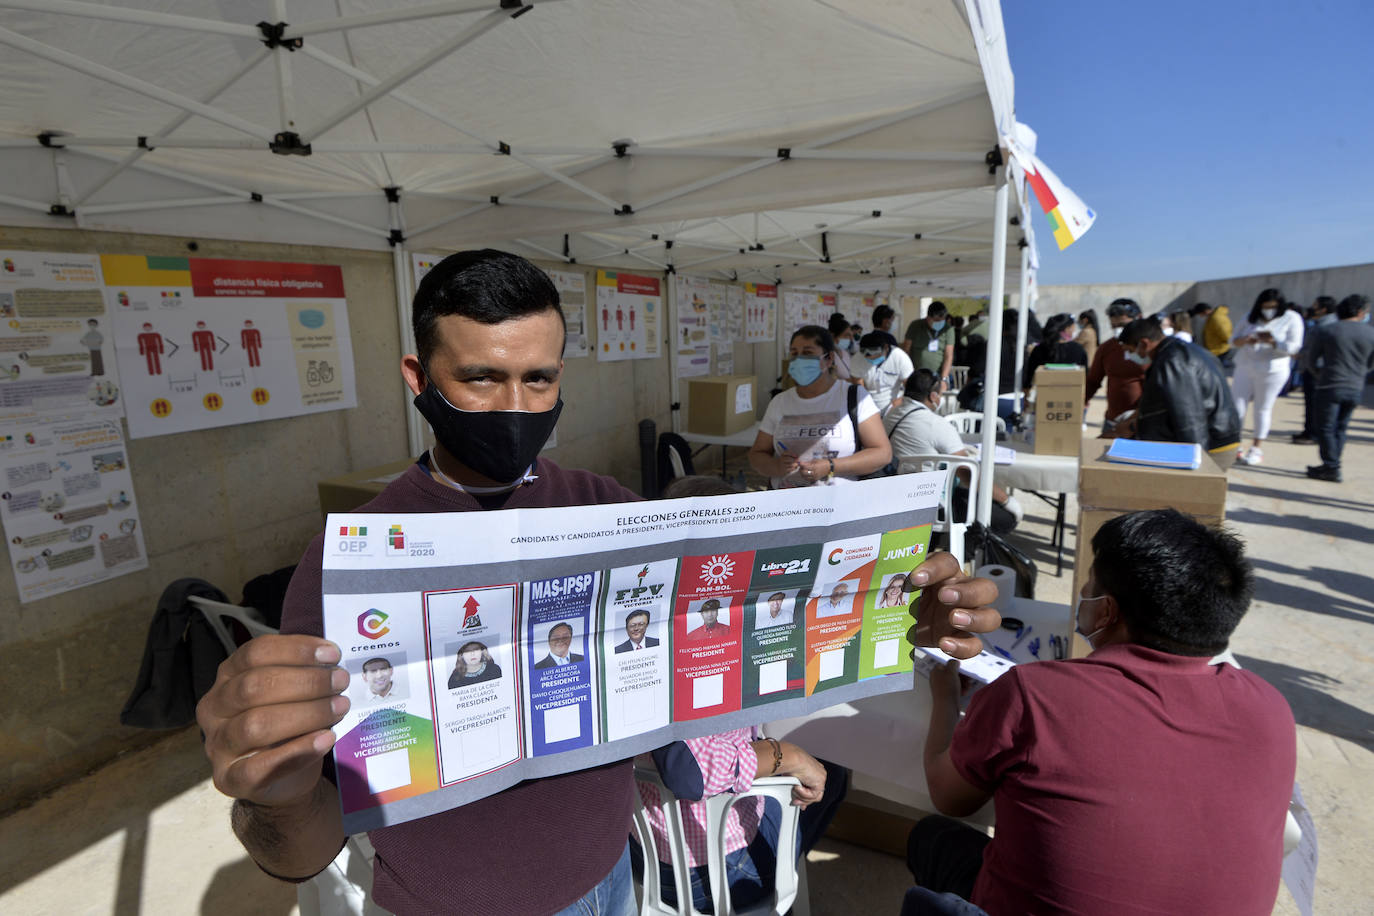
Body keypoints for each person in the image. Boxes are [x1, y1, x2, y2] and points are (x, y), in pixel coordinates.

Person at [195, 250, 1003, 916]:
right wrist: (274, 794)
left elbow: (733, 640)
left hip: (614, 882)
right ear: (419, 377)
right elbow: (301, 851)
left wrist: (897, 621)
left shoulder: (610, 511)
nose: (515, 406)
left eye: (539, 380)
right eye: (481, 378)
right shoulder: (350, 565)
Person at [910, 509, 1296, 916]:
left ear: (1107, 611)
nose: (1082, 595)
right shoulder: (1270, 709)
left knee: (933, 839)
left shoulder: (1035, 694)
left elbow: (948, 794)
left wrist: (946, 696)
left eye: (1088, 585)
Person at [633, 729, 848, 914]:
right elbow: (688, 771)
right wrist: (788, 756)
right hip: (719, 873)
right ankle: (776, 886)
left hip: (641, 853)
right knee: (832, 772)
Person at [748, 325, 892, 488]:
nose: (799, 359)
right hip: (787, 505)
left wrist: (830, 466)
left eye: (808, 353)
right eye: (794, 353)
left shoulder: (854, 396)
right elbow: (757, 455)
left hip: (840, 505)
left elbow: (882, 453)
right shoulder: (780, 402)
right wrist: (776, 466)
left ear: (829, 359)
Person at [883, 369, 1022, 533]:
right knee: (1006, 518)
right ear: (933, 397)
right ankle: (965, 550)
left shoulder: (889, 417)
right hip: (936, 506)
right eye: (940, 394)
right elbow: (967, 474)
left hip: (899, 498)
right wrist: (1007, 501)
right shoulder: (936, 424)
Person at [1118, 318, 1241, 469]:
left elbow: (1190, 418)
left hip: (1211, 446)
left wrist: (1194, 461)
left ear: (1144, 343)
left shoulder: (1172, 361)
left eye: (1130, 351)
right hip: (1219, 436)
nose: (1130, 357)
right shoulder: (1188, 349)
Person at [1229, 289, 1304, 466]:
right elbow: (1232, 340)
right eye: (1264, 307)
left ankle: (1256, 448)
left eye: (1272, 307)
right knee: (1237, 407)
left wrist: (1272, 341)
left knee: (1262, 409)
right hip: (1246, 365)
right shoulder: (1250, 317)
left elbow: (1294, 347)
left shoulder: (1291, 318)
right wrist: (1246, 340)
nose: (1267, 311)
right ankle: (1234, 445)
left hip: (1273, 369)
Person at [1306, 294, 1374, 482]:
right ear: (1360, 312)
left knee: (1326, 428)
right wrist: (1359, 374)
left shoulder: (1328, 331)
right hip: (1355, 387)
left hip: (1329, 385)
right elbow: (1371, 364)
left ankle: (1331, 466)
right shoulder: (1370, 334)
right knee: (1341, 428)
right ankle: (1332, 463)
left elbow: (1311, 360)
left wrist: (1319, 375)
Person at [1084, 298, 1146, 431]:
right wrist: (1079, 403)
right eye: (1114, 326)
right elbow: (1093, 381)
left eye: (1123, 325)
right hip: (1112, 422)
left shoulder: (1149, 349)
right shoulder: (1106, 349)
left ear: (1139, 318)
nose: (1119, 330)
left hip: (1143, 423)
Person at [1291, 295, 1337, 445]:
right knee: (1311, 402)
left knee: (1314, 403)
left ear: (1323, 309)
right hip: (1312, 367)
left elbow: (1317, 349)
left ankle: (1313, 433)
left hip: (1316, 369)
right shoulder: (1322, 323)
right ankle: (1308, 431)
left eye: (1315, 305)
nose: (1312, 308)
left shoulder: (1327, 325)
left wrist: (1304, 356)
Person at [1021, 313, 1088, 402]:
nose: (1074, 329)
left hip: (1045, 402)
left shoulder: (1040, 349)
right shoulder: (1078, 349)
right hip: (1072, 402)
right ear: (1067, 328)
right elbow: (1085, 376)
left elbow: (1028, 377)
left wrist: (1025, 398)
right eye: (1073, 326)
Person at [858, 330, 915, 415]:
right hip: (868, 407)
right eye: (868, 357)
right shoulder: (857, 358)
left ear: (886, 348)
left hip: (893, 406)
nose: (872, 358)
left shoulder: (900, 357)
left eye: (875, 355)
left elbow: (912, 388)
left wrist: (898, 403)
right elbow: (858, 386)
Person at [902, 301, 955, 379]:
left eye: (942, 320)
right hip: (916, 374)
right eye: (936, 320)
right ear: (928, 318)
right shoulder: (915, 326)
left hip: (937, 376)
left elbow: (948, 356)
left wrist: (944, 378)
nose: (939, 323)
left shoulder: (948, 329)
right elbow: (906, 351)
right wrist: (907, 374)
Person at [827, 312, 862, 383]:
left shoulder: (845, 353)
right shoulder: (828, 356)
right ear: (833, 336)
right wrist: (853, 381)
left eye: (851, 335)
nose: (851, 339)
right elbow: (831, 381)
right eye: (846, 335)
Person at [1202, 302, 1235, 367]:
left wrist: (1229, 341)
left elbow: (1225, 333)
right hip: (1218, 348)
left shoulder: (1217, 317)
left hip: (1220, 349)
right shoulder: (1215, 316)